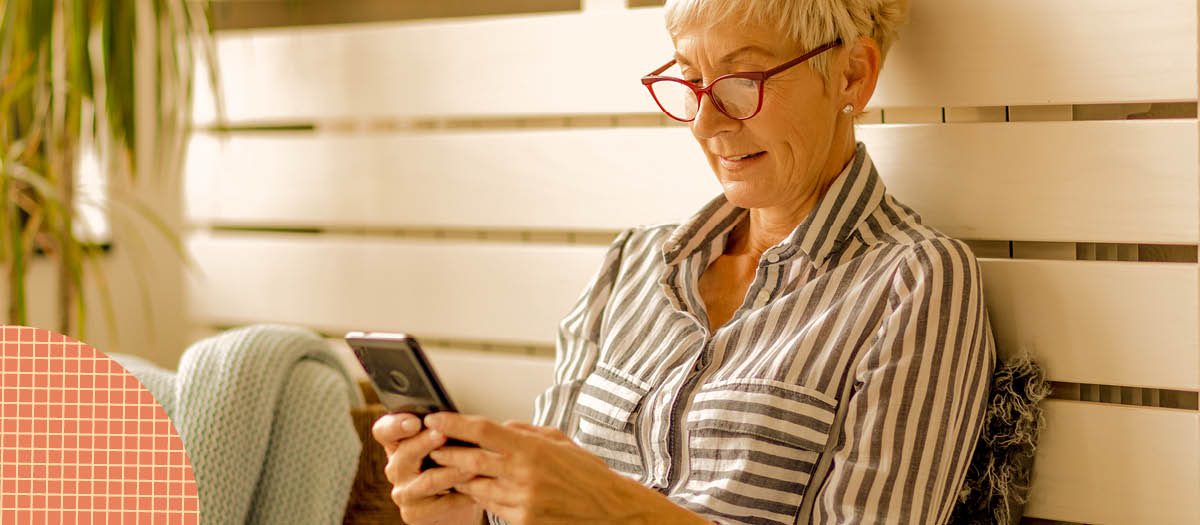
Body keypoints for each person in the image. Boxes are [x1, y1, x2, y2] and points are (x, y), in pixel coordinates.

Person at [372, 0, 996, 523]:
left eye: (739, 83)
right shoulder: (634, 263)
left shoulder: (914, 281)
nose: (704, 122)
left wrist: (616, 511)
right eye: (691, 83)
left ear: (853, 76)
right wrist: (469, 511)